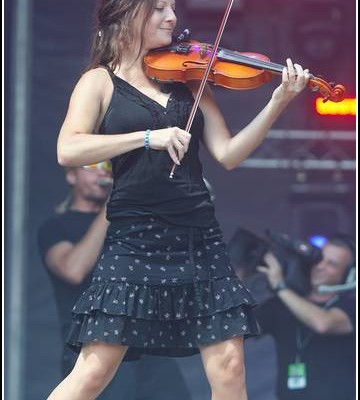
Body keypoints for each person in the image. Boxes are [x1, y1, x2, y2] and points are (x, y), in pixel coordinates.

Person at [46, 0, 310, 398]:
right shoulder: (99, 81)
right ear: (125, 16)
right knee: (94, 370)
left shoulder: (190, 79)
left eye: (172, 8)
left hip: (198, 238)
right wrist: (148, 138)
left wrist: (278, 102)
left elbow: (228, 154)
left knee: (230, 366)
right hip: (135, 240)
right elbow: (69, 149)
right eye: (158, 9)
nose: (172, 17)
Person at [38, 162, 192, 400]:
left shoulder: (129, 222)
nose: (103, 172)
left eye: (108, 167)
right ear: (70, 175)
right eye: (92, 166)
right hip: (93, 347)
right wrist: (114, 203)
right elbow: (73, 270)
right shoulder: (55, 226)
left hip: (147, 345)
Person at [254, 236, 356, 400]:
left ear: (348, 274)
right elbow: (238, 329)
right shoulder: (282, 304)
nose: (321, 266)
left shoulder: (351, 306)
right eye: (319, 259)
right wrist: (238, 276)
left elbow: (323, 323)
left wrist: (280, 285)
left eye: (332, 264)